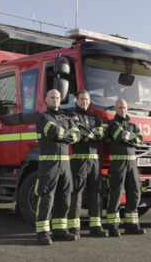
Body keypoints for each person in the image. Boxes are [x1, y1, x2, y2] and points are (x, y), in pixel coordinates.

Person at [35, 89, 81, 245]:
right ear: (46, 99)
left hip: (65, 164)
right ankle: (43, 233)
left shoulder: (66, 117)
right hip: (49, 164)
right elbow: (54, 132)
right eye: (52, 97)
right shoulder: (43, 117)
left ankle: (60, 230)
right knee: (47, 197)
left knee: (65, 197)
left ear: (61, 99)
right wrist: (68, 134)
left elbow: (77, 135)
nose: (55, 100)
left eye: (57, 97)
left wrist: (66, 134)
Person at [67, 90, 109, 238]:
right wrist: (93, 134)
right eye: (82, 99)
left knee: (96, 192)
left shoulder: (95, 117)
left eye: (87, 99)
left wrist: (88, 134)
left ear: (89, 101)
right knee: (76, 192)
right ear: (76, 100)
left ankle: (96, 226)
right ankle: (73, 228)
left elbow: (104, 132)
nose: (84, 102)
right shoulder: (72, 116)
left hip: (95, 160)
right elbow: (77, 131)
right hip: (79, 159)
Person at [105, 99, 145, 236]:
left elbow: (141, 140)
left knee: (134, 193)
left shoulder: (133, 125)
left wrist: (129, 137)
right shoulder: (111, 124)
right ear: (115, 109)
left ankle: (131, 225)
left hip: (132, 164)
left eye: (125, 107)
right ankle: (112, 226)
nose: (123, 110)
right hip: (118, 163)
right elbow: (120, 135)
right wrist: (131, 137)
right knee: (116, 193)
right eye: (120, 107)